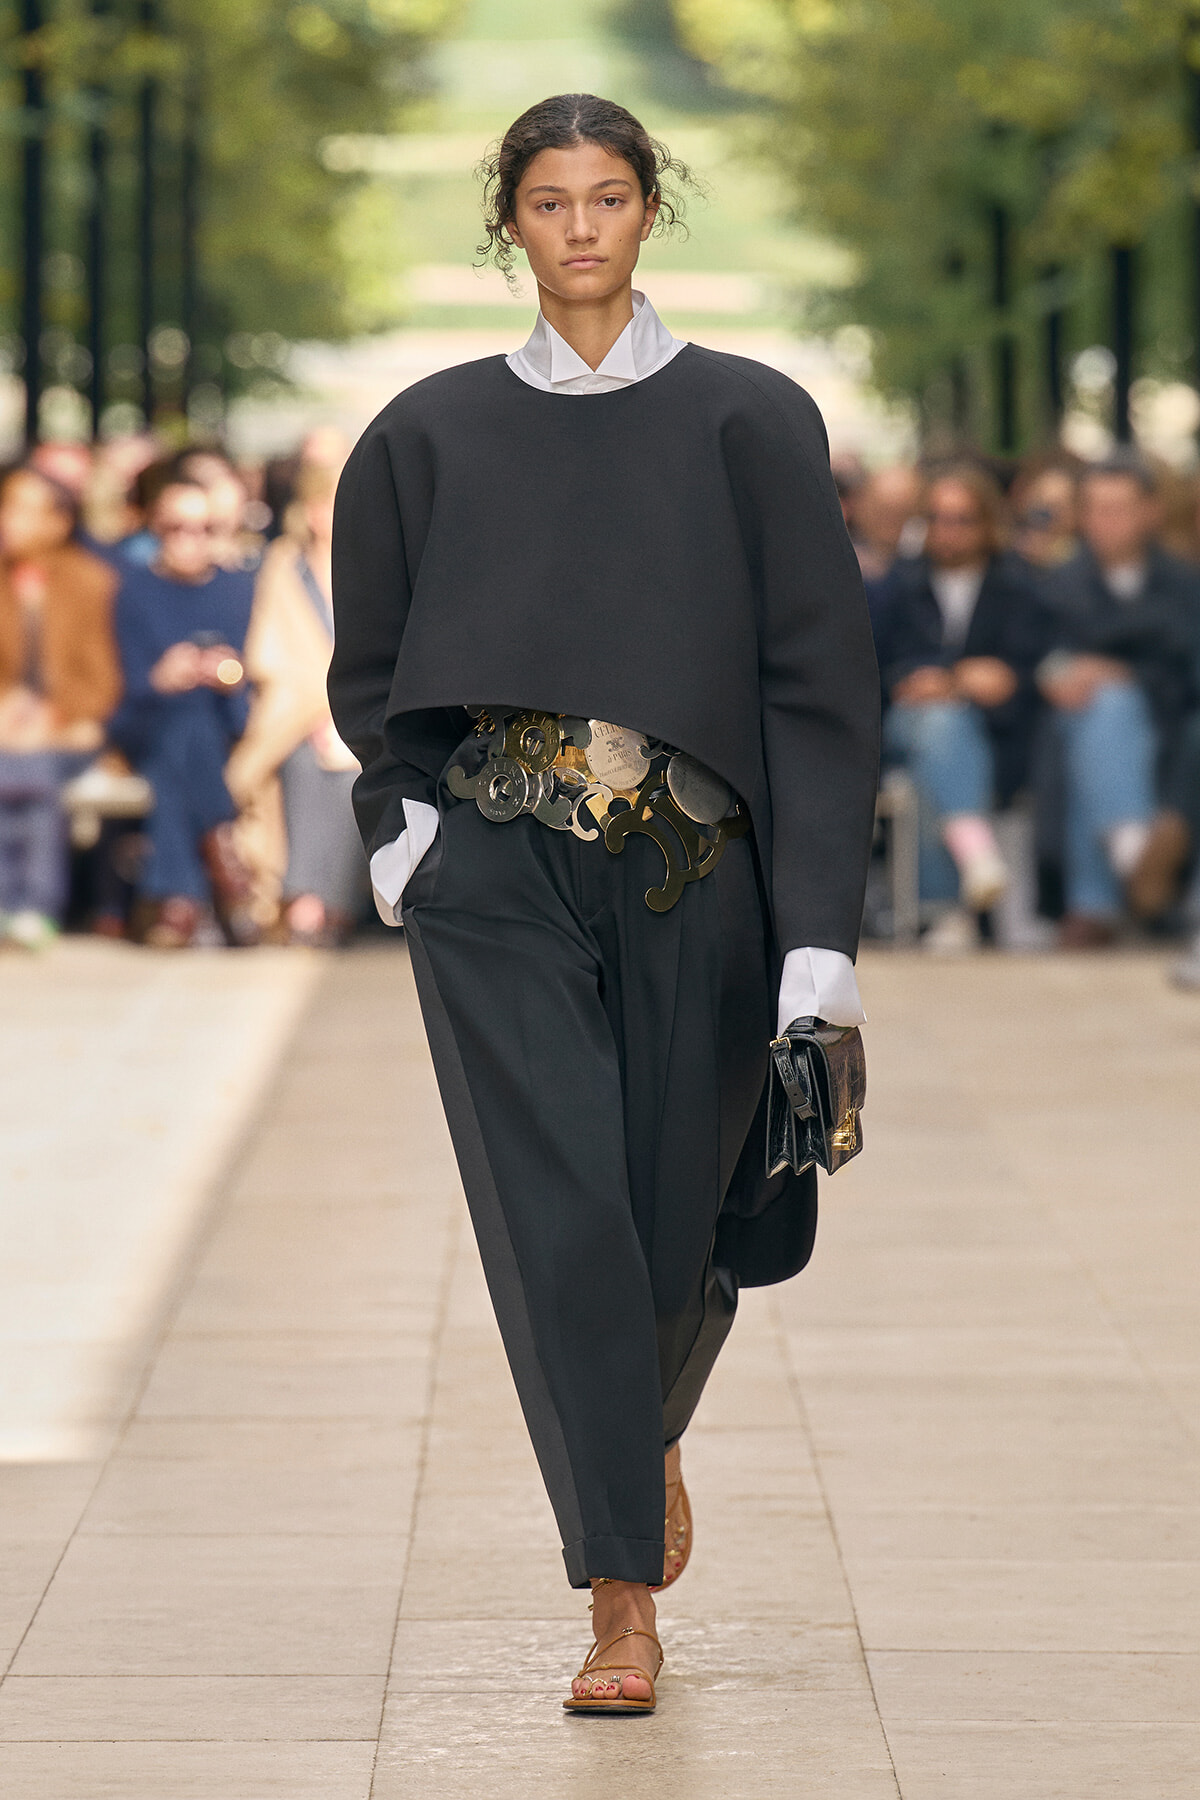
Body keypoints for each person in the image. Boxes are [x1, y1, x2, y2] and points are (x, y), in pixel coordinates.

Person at [329, 94, 879, 1714]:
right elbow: (373, 672)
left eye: (612, 195)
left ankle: (637, 1439)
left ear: (653, 210)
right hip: (495, 872)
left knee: (679, 1225)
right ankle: (619, 1602)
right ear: (508, 221)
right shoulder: (423, 436)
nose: (581, 227)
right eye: (550, 200)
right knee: (558, 1212)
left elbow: (821, 690)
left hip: (698, 870)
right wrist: (402, 837)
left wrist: (819, 937)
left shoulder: (750, 421)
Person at [874, 464, 1050, 946]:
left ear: (988, 523)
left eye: (961, 519)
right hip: (904, 724)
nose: (947, 531)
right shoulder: (898, 585)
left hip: (995, 734)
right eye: (936, 518)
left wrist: (961, 682)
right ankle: (974, 856)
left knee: (936, 759)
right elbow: (873, 664)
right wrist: (920, 683)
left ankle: (949, 915)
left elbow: (1025, 673)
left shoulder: (1019, 586)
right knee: (939, 725)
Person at [1038, 455, 1200, 947]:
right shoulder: (1058, 583)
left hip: (1166, 724)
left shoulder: (1185, 587)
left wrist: (1121, 674)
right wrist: (1058, 676)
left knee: (1110, 708)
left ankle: (1095, 903)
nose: (1105, 521)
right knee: (1101, 713)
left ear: (1150, 511)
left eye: (1119, 508)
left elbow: (1187, 672)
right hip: (1073, 720)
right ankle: (1135, 862)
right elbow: (1037, 656)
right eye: (1095, 508)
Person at [109, 477, 256, 948]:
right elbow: (124, 689)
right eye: (176, 528)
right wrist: (161, 678)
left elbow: (250, 679)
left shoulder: (237, 589)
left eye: (204, 528)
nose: (190, 540)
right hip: (147, 720)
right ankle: (223, 856)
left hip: (215, 726)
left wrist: (228, 674)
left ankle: (179, 901)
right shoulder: (134, 591)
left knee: (186, 738)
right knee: (184, 729)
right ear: (156, 529)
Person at [226, 462, 363, 944]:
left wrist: (340, 708)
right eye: (321, 504)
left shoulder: (376, 566)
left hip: (360, 708)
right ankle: (305, 900)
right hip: (296, 714)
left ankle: (335, 902)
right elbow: (268, 650)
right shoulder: (284, 565)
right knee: (303, 764)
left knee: (350, 770)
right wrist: (316, 711)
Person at [0, 466, 122, 947]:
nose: (10, 520)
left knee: (29, 768)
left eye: (25, 509)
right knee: (15, 763)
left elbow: (105, 678)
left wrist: (54, 717)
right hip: (9, 730)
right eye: (7, 506)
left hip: (73, 730)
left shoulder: (91, 581)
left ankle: (30, 904)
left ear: (59, 521)